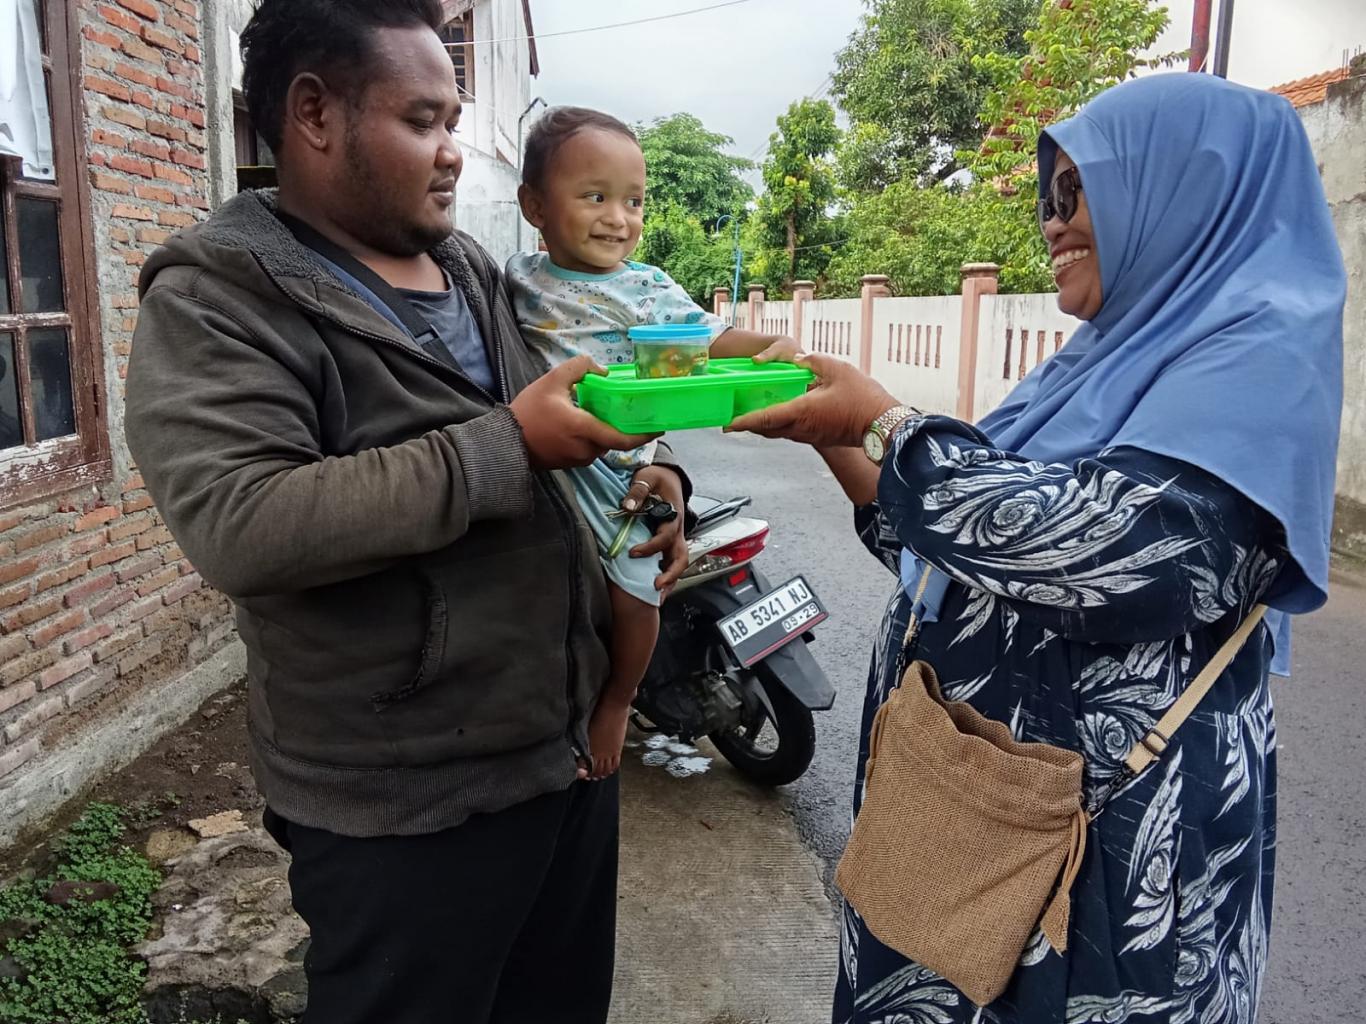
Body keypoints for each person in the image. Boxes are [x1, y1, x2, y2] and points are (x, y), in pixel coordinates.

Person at [729, 73, 1344, 1023]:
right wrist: (830, 431)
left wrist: (888, 425)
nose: (1052, 224)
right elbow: (957, 551)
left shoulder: (1260, 362)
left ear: (1184, 190)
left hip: (1099, 861)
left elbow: (1109, 554)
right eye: (1046, 199)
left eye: (1078, 192)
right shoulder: (1094, 366)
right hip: (969, 820)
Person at [123, 2, 693, 1022]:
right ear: (314, 113)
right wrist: (508, 446)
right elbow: (241, 522)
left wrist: (660, 480)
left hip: (563, 759)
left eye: (453, 122)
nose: (452, 153)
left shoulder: (471, 269)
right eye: (423, 121)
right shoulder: (219, 299)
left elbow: (588, 389)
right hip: (404, 809)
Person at [507, 106, 799, 779]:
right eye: (595, 197)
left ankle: (618, 700)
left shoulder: (647, 288)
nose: (618, 218)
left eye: (633, 201)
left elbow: (711, 339)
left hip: (619, 469)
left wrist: (770, 347)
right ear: (534, 206)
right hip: (541, 463)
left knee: (638, 590)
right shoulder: (513, 278)